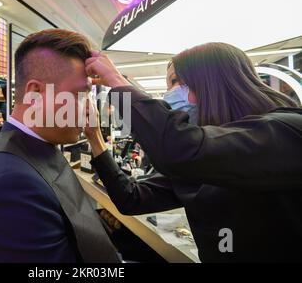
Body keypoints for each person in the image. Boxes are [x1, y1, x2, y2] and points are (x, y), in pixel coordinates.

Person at [83, 42, 302, 262]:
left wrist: (119, 83)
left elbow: (178, 149)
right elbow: (132, 198)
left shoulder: (286, 131)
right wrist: (94, 137)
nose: (170, 94)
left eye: (176, 81)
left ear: (213, 81)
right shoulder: (201, 163)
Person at [0, 29, 120, 263]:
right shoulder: (12, 185)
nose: (88, 110)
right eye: (80, 95)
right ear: (35, 94)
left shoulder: (31, 150)